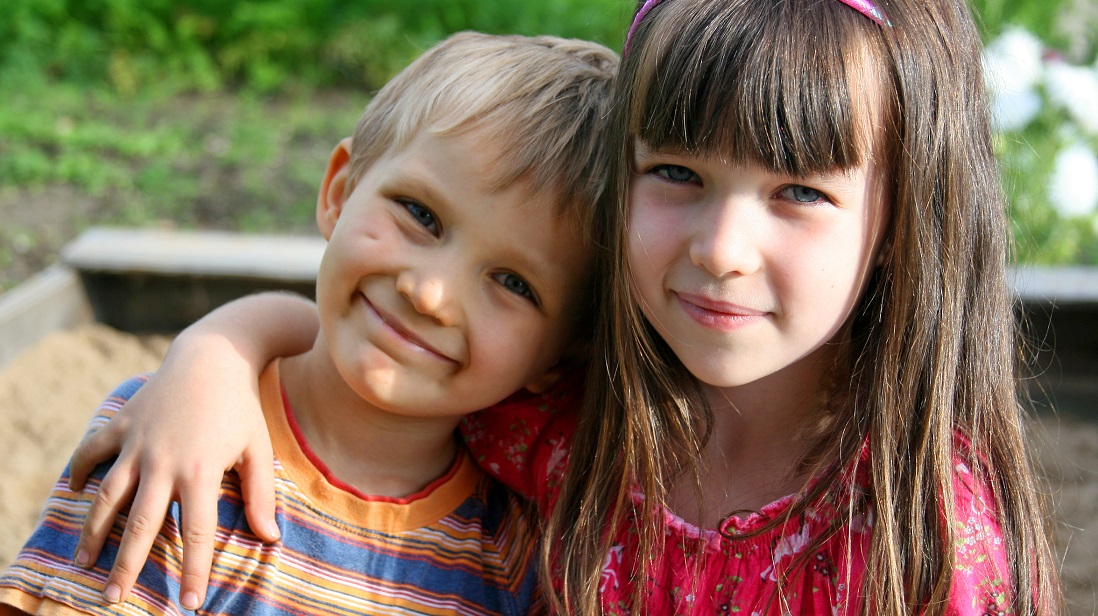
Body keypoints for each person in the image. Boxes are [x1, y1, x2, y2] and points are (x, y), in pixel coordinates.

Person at [41, 0, 1066, 613]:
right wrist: (217, 353)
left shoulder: (921, 535)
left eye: (798, 192)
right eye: (675, 172)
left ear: (902, 219)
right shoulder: (577, 422)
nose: (720, 249)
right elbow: (391, 351)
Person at [0, 30, 617, 616]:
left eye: (513, 283)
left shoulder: (519, 555)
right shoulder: (179, 441)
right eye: (420, 214)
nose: (430, 294)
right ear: (339, 192)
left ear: (561, 357)